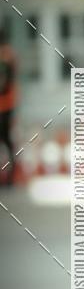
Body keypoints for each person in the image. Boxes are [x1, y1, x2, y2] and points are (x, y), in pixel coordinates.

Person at [0, 24, 18, 186]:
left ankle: (9, 176)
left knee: (5, 140)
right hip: (9, 104)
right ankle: (10, 176)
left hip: (5, 104)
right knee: (7, 141)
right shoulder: (10, 54)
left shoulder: (6, 55)